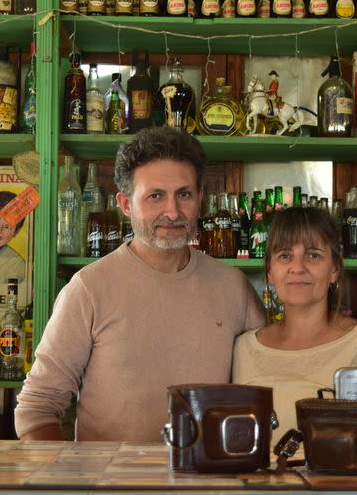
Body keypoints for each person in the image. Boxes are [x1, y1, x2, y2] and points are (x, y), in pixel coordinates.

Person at [15, 126, 264, 441]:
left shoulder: (234, 287)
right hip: (111, 489)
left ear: (200, 198)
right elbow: (38, 409)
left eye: (184, 194)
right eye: (155, 196)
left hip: (209, 487)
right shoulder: (89, 288)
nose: (172, 211)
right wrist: (71, 483)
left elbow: (265, 385)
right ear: (125, 203)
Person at [232, 207, 357, 445]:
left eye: (313, 255)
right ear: (270, 271)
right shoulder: (244, 348)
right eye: (285, 256)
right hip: (258, 483)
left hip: (342, 483)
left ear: (334, 270)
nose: (297, 267)